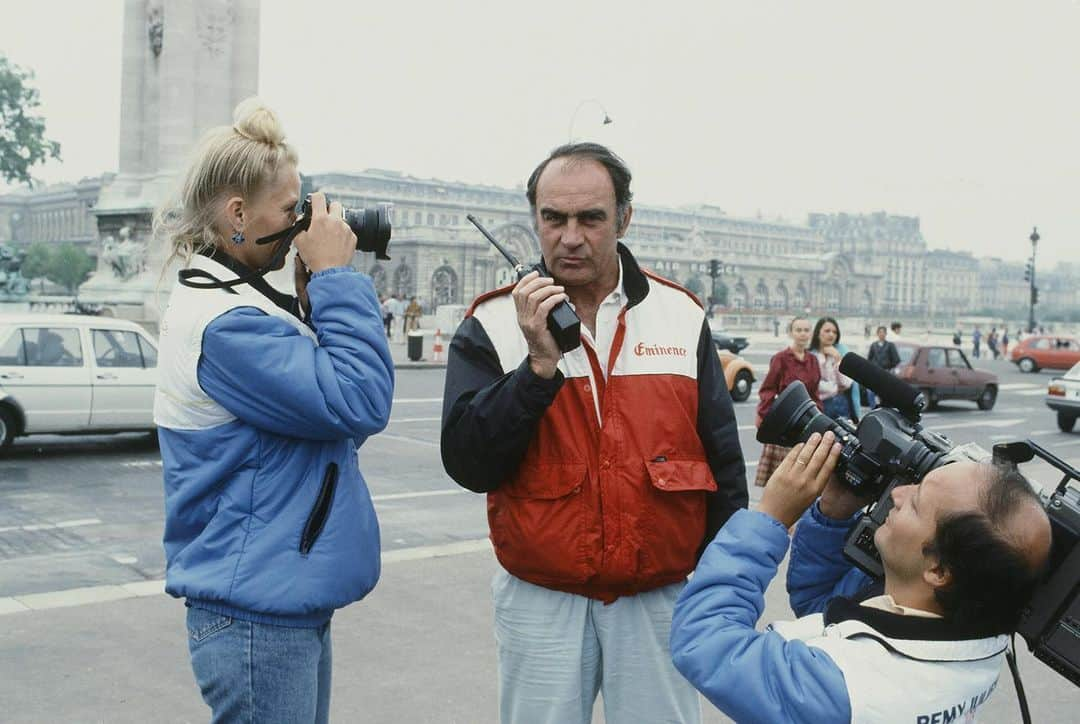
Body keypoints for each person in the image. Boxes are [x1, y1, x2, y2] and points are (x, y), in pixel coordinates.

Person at [440, 142, 748, 724]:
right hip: (542, 598)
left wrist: (721, 592)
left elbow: (724, 465)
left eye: (590, 218)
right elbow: (467, 462)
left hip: (659, 597)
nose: (570, 237)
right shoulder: (491, 322)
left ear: (624, 218)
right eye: (553, 219)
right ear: (535, 220)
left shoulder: (681, 316)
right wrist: (535, 370)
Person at [152, 98, 394, 723]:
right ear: (238, 214)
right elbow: (361, 403)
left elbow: (325, 429)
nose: (300, 225)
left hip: (276, 597)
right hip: (256, 613)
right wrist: (339, 279)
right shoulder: (227, 325)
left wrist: (315, 304)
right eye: (290, 210)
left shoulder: (234, 302)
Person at [670, 433, 1052, 723]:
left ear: (938, 570)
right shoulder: (973, 628)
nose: (898, 492)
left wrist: (770, 518)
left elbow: (705, 640)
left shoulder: (845, 688)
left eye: (916, 503)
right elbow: (823, 613)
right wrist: (833, 516)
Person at [754, 316, 821, 487]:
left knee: (801, 480)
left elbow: (814, 393)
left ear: (811, 333)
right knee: (779, 480)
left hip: (806, 424)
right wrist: (765, 416)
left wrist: (819, 418)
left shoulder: (813, 360)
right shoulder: (780, 358)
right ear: (791, 332)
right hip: (785, 423)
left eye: (806, 330)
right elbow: (768, 389)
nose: (802, 334)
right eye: (798, 330)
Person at [810, 317, 859, 422]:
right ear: (818, 333)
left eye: (834, 332)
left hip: (841, 405)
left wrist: (837, 359)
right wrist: (835, 388)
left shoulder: (840, 351)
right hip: (820, 405)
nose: (831, 334)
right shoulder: (811, 356)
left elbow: (846, 383)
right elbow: (814, 384)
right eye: (827, 331)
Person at [865, 326, 900, 408]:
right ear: (877, 334)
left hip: (886, 373)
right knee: (870, 392)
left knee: (885, 393)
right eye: (880, 332)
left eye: (883, 332)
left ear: (886, 334)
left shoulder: (890, 345)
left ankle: (885, 409)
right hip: (875, 373)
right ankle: (873, 409)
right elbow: (869, 359)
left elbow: (896, 359)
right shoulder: (873, 345)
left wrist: (889, 367)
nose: (882, 334)